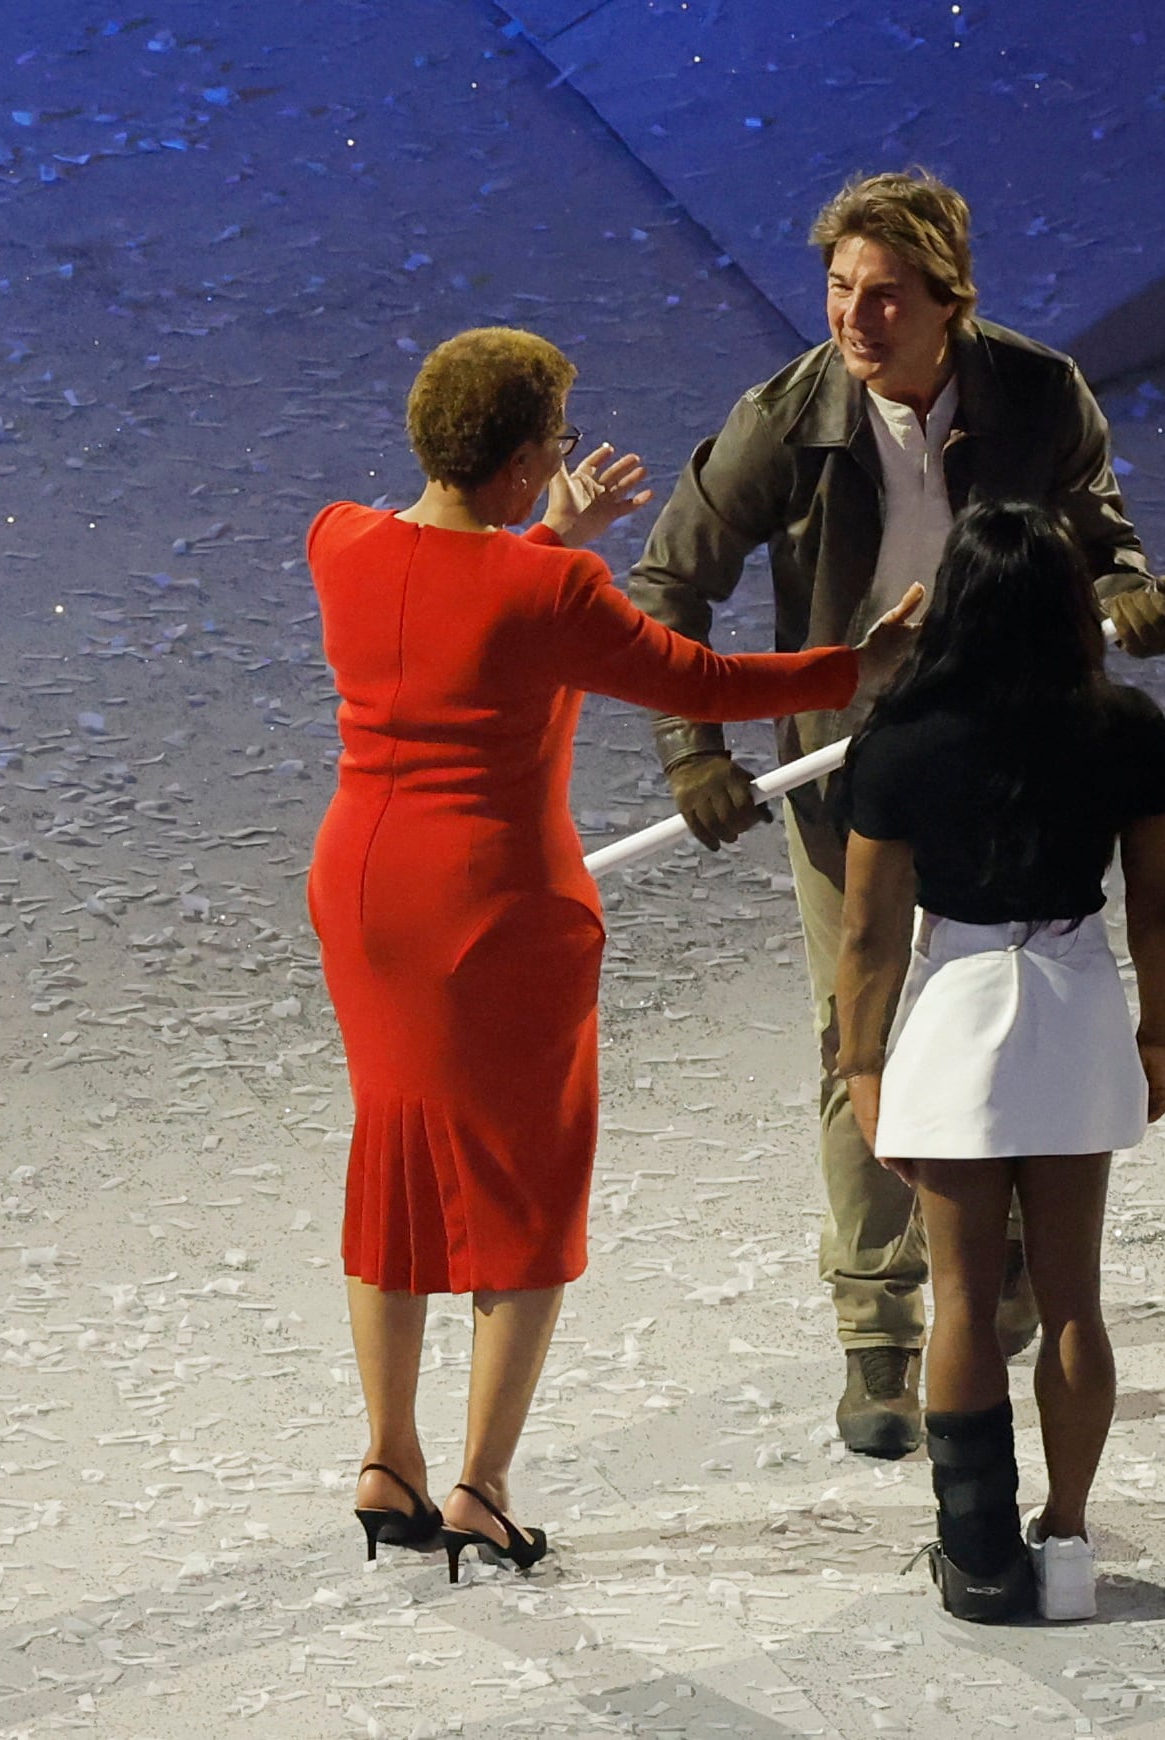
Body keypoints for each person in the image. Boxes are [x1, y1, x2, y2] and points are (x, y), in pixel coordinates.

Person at [308, 327, 920, 1584]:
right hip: (496, 918)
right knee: (521, 1195)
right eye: (556, 444)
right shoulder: (554, 596)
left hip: (363, 897)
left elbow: (457, 602)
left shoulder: (341, 542)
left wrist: (546, 532)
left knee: (399, 1164)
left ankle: (388, 1461)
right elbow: (703, 678)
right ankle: (480, 1488)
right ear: (531, 457)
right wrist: (863, 663)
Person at [627, 170, 1165, 1459]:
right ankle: (880, 1326)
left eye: (884, 295)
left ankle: (997, 1272)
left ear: (951, 303)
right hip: (856, 767)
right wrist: (690, 744)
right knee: (863, 1023)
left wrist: (1132, 590)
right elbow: (667, 583)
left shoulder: (1037, 394)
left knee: (1014, 1005)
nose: (854, 318)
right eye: (839, 290)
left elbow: (1098, 537)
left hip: (1016, 751)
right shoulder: (788, 421)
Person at [833, 501, 1165, 1623]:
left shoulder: (900, 736)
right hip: (1077, 1005)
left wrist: (863, 1066)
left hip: (957, 1010)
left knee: (963, 1304)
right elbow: (1160, 908)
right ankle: (1069, 1542)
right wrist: (1158, 1036)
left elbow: (867, 934)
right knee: (1075, 1302)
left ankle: (979, 1556)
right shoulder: (1126, 728)